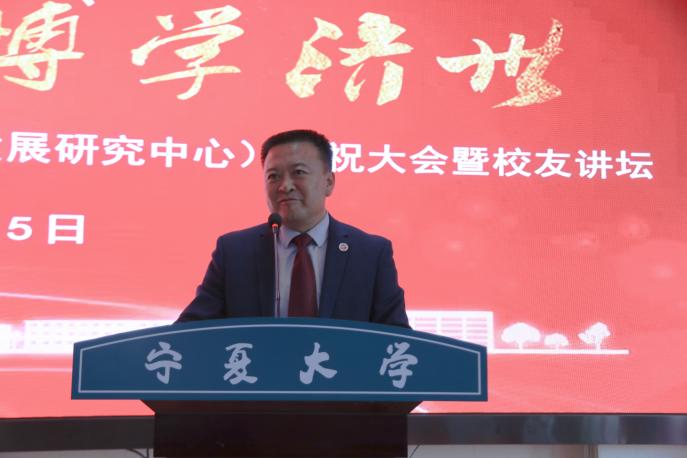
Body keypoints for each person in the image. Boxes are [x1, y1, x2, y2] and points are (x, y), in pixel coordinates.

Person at [177, 129, 408, 327]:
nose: (285, 186)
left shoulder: (370, 254)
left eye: (298, 173)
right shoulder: (235, 252)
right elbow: (192, 330)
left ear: (328, 182)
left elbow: (398, 340)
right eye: (273, 176)